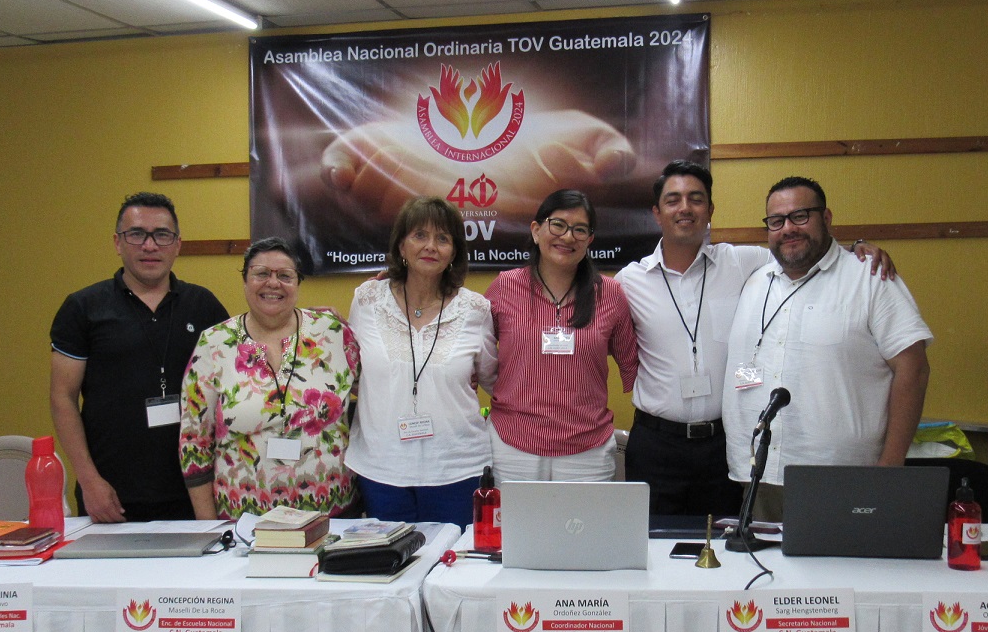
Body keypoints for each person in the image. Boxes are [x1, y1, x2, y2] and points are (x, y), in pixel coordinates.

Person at [615, 161, 896, 517]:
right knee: (651, 541)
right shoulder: (629, 281)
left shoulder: (746, 262)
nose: (685, 208)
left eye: (696, 199)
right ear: (657, 213)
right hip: (656, 443)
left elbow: (803, 250)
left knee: (726, 542)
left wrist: (856, 248)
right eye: (673, 200)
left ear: (710, 210)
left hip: (722, 446)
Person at [722, 176, 932, 522]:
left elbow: (914, 368)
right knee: (763, 559)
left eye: (800, 216)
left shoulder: (869, 278)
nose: (788, 228)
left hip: (841, 477)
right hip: (759, 475)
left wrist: (891, 466)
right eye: (776, 221)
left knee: (843, 559)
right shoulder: (755, 280)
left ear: (827, 218)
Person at [50, 192, 228, 522]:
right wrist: (89, 481)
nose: (149, 245)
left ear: (177, 244)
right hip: (110, 493)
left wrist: (306, 327)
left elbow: (248, 364)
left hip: (194, 491)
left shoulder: (203, 305)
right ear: (117, 242)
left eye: (162, 235)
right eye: (137, 234)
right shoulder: (83, 308)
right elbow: (63, 398)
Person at [179, 238, 361, 520]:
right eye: (261, 273)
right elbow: (194, 440)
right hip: (244, 521)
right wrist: (208, 528)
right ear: (245, 281)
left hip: (331, 515)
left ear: (298, 283)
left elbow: (374, 393)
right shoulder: (214, 343)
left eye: (285, 275)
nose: (273, 283)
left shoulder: (333, 333)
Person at [345, 197, 498, 525]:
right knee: (389, 557)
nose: (431, 246)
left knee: (454, 557)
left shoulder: (475, 310)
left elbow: (496, 382)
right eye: (419, 235)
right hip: (381, 467)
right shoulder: (367, 300)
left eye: (443, 238)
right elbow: (351, 372)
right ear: (401, 245)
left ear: (454, 252)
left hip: (456, 468)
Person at [486, 189, 638, 482]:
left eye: (580, 229)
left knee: (586, 516)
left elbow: (633, 365)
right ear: (536, 230)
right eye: (558, 225)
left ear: (589, 240)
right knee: (516, 516)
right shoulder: (504, 287)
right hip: (512, 446)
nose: (568, 237)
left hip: (587, 450)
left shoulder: (610, 294)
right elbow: (475, 355)